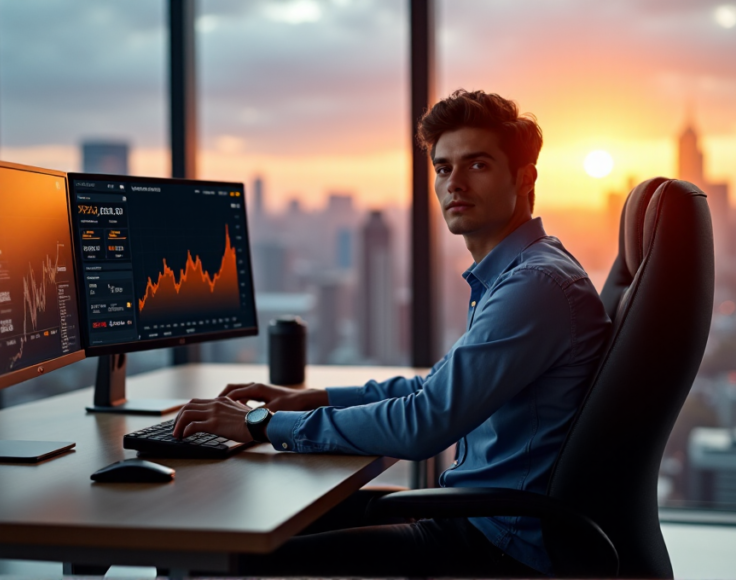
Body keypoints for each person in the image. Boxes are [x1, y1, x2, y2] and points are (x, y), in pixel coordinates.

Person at [172, 89, 611, 577]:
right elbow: (431, 390)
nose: (454, 184)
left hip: (496, 546)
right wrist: (311, 398)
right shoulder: (518, 273)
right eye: (443, 169)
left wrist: (258, 425)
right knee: (255, 520)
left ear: (524, 177)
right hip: (477, 518)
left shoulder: (534, 286)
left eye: (477, 165)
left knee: (226, 561)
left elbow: (425, 423)